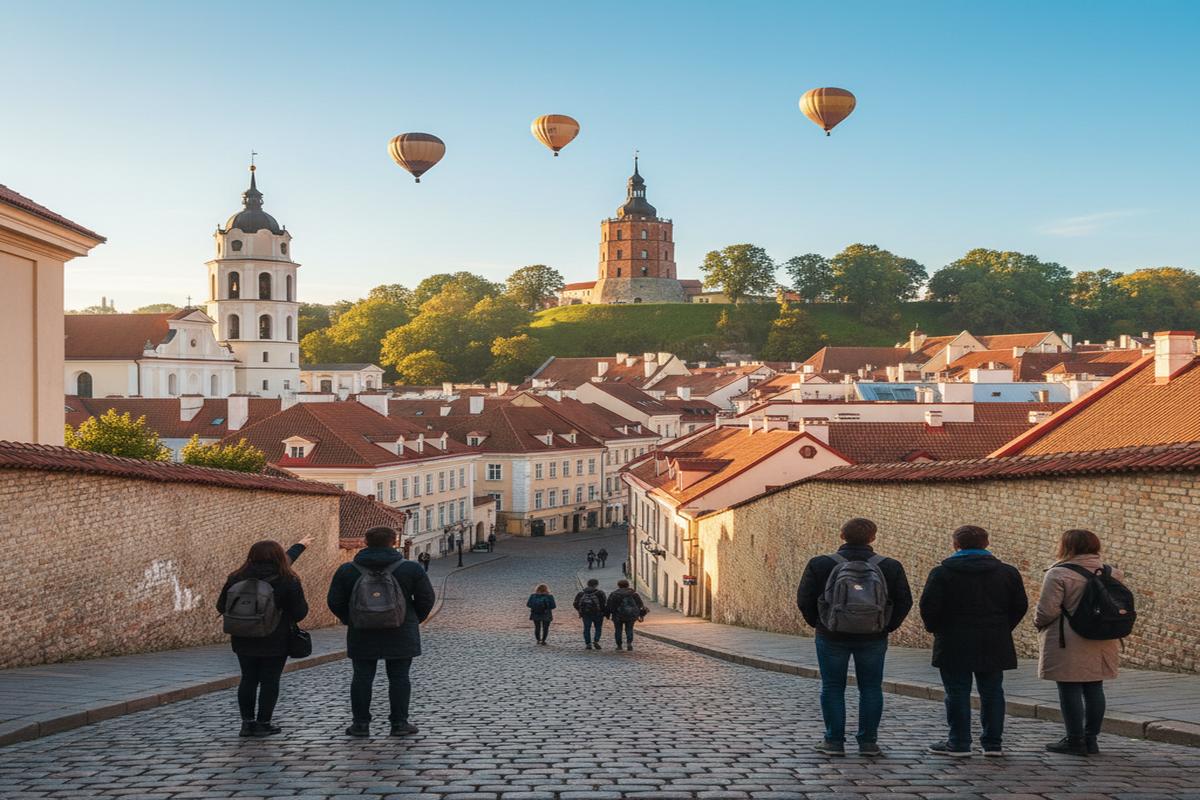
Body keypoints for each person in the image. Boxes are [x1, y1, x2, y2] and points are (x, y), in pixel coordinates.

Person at [796, 517, 913, 757]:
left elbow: (804, 599)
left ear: (842, 536)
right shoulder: (890, 566)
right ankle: (868, 742)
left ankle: (833, 741)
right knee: (871, 688)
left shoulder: (820, 564)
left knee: (832, 687)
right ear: (873, 538)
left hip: (831, 635)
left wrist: (820, 623)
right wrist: (886, 626)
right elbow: (904, 601)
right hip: (873, 636)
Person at [920, 525, 1028, 757]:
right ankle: (993, 744)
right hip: (994, 639)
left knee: (957, 692)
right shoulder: (1007, 572)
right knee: (992, 692)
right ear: (986, 544)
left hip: (954, 640)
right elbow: (1020, 605)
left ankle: (959, 743)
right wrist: (1003, 627)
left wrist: (938, 630)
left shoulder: (942, 573)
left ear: (956, 545)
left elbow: (929, 607)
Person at [327, 526, 436, 738]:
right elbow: (426, 598)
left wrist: (352, 619)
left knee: (362, 677)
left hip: (362, 631)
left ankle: (360, 725)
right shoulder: (411, 569)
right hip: (401, 630)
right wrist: (412, 619)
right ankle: (399, 723)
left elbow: (334, 601)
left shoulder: (347, 570)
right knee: (399, 677)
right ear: (394, 542)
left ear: (365, 542)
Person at [1035, 529, 1123, 756]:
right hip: (1102, 636)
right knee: (1094, 687)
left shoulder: (1058, 573)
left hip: (1068, 638)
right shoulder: (1112, 572)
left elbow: (1047, 610)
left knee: (1069, 687)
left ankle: (1075, 740)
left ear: (1066, 546)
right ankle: (1091, 740)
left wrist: (1038, 623)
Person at [216, 537, 312, 737]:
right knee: (270, 680)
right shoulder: (287, 579)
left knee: (248, 679)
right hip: (275, 637)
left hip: (243, 636)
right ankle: (263, 723)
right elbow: (299, 613)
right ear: (279, 557)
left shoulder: (236, 577)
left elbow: (221, 606)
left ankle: (247, 723)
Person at [606, 579, 647, 651]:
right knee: (629, 629)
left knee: (618, 630)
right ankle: (629, 643)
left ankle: (619, 645)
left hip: (617, 615)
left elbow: (609, 605)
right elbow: (640, 605)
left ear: (618, 586)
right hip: (630, 615)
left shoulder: (614, 594)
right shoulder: (634, 594)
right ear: (628, 585)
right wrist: (639, 614)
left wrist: (608, 614)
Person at [573, 578, 608, 650]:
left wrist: (580, 611)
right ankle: (596, 640)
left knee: (586, 628)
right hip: (598, 613)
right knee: (598, 628)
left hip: (586, 614)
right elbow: (604, 603)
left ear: (587, 584)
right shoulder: (600, 593)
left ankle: (588, 643)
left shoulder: (581, 594)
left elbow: (575, 604)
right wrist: (604, 612)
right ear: (596, 585)